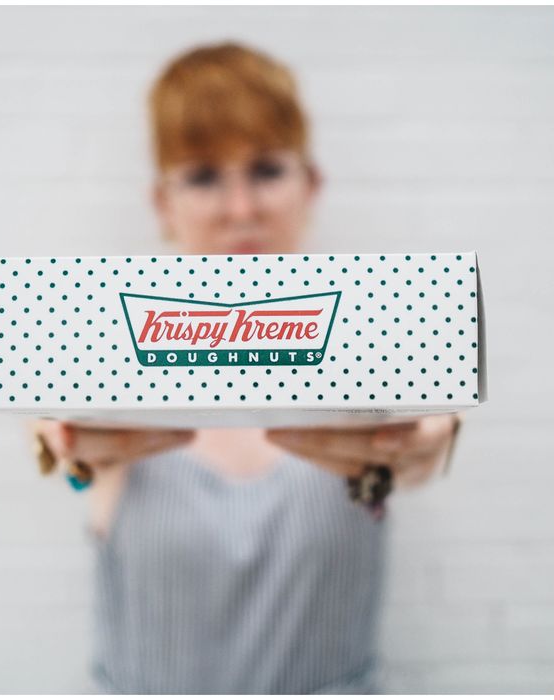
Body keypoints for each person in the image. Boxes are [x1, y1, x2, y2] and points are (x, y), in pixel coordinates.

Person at [32, 43, 460, 693]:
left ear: (310, 184)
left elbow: (428, 436)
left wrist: (433, 443)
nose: (240, 208)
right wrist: (68, 457)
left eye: (265, 169)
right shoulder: (105, 378)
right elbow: (67, 450)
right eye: (203, 176)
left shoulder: (378, 362)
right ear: (162, 203)